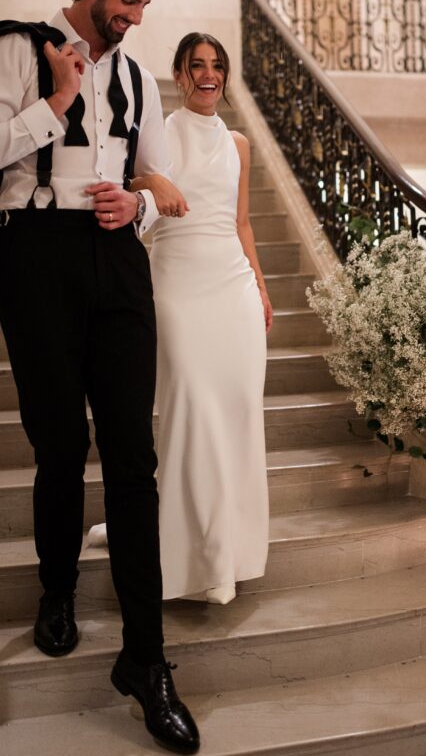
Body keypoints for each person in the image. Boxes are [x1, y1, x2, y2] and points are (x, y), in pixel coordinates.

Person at [0, 0, 199, 755]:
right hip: (36, 255)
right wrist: (52, 100)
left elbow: (154, 173)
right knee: (57, 446)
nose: (135, 19)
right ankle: (56, 594)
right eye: (126, 2)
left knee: (132, 462)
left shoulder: (134, 77)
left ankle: (147, 662)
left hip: (117, 262)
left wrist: (140, 212)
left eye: (144, 6)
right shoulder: (16, 47)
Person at [130, 32, 272, 604]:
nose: (208, 75)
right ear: (181, 73)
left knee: (237, 415)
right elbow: (131, 188)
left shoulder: (238, 143)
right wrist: (150, 180)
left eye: (216, 66)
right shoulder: (156, 132)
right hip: (177, 282)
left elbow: (242, 223)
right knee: (188, 406)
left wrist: (260, 286)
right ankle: (190, 557)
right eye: (197, 66)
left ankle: (230, 553)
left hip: (232, 285)